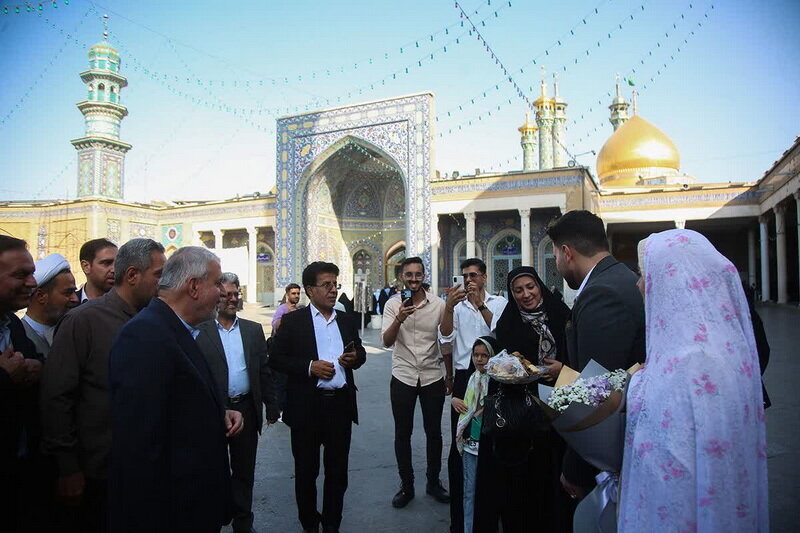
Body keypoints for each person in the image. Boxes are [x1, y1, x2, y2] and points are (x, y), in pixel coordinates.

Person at [618, 229, 768, 532]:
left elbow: (679, 458)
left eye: (644, 274)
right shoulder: (705, 347)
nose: (639, 284)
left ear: (673, 278)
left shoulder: (695, 362)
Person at [108, 246, 244, 532]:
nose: (223, 293)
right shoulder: (144, 336)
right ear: (193, 287)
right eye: (217, 283)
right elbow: (140, 445)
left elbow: (176, 405)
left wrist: (217, 412)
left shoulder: (174, 329)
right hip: (172, 513)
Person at [41, 238, 166, 532]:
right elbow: (57, 397)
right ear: (133, 275)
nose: (163, 283)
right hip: (98, 473)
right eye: (158, 275)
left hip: (145, 468)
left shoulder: (156, 320)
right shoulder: (83, 321)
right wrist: (68, 467)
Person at [546, 210, 645, 500]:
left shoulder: (601, 293)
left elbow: (597, 392)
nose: (557, 264)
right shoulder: (622, 278)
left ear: (567, 253)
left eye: (555, 255)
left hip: (610, 455)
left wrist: (575, 469)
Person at [473, 266, 572, 532]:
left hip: (560, 409)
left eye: (530, 287)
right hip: (524, 420)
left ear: (540, 286)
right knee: (524, 485)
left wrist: (562, 369)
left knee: (556, 478)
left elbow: (577, 355)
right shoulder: (509, 323)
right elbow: (502, 369)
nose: (526, 294)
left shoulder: (561, 315)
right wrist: (517, 371)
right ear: (512, 294)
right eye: (518, 290)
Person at [269, 261, 366, 533]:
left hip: (340, 407)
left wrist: (355, 357)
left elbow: (360, 353)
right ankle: (310, 523)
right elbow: (276, 359)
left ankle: (332, 524)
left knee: (338, 473)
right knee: (306, 472)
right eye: (327, 285)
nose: (333, 290)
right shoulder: (293, 322)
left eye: (335, 284)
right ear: (310, 290)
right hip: (306, 409)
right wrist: (310, 367)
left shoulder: (345, 320)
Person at [196, 272, 280, 533]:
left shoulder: (252, 330)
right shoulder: (200, 331)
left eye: (236, 294)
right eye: (226, 295)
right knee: (214, 470)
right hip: (214, 412)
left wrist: (272, 405)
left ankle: (243, 523)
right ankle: (214, 519)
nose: (232, 299)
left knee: (244, 470)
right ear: (216, 297)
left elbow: (263, 370)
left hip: (246, 410)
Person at [438, 258, 507, 532]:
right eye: (465, 276)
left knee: (491, 444)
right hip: (465, 378)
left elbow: (501, 336)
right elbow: (445, 339)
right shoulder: (456, 307)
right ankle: (461, 518)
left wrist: (480, 305)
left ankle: (490, 513)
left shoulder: (498, 303)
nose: (469, 280)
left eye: (474, 275)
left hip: (495, 378)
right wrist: (448, 306)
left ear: (485, 277)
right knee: (461, 445)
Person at [382, 256, 449, 508]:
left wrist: (450, 375)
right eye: (408, 274)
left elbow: (446, 338)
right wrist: (399, 318)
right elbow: (386, 341)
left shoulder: (438, 304)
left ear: (423, 276)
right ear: (402, 276)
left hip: (432, 375)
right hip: (404, 375)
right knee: (403, 433)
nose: (413, 279)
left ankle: (433, 482)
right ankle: (407, 485)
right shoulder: (392, 305)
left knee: (434, 433)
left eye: (417, 274)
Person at [0, 236, 43, 532]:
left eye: (32, 273)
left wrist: (37, 367)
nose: (32, 283)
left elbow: (32, 362)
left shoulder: (12, 324)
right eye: (20, 275)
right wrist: (5, 377)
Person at [452, 336, 498, 533]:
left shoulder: (498, 382)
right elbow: (459, 400)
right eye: (476, 355)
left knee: (488, 492)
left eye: (485, 355)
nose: (479, 359)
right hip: (470, 445)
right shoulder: (470, 378)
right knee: (469, 491)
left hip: (489, 448)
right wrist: (455, 400)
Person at [22, 253, 79, 358]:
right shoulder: (16, 337)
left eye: (74, 292)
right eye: (68, 293)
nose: (75, 299)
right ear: (41, 296)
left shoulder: (75, 333)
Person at [271, 283, 304, 417]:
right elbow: (275, 325)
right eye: (293, 293)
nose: (296, 296)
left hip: (296, 352)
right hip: (283, 353)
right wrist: (288, 316)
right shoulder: (282, 309)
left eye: (298, 293)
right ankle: (280, 410)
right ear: (287, 295)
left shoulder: (300, 309)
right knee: (281, 383)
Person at [76, 238, 117, 303]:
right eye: (107, 263)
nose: (114, 270)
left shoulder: (129, 304)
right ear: (86, 266)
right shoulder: (69, 304)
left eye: (117, 263)